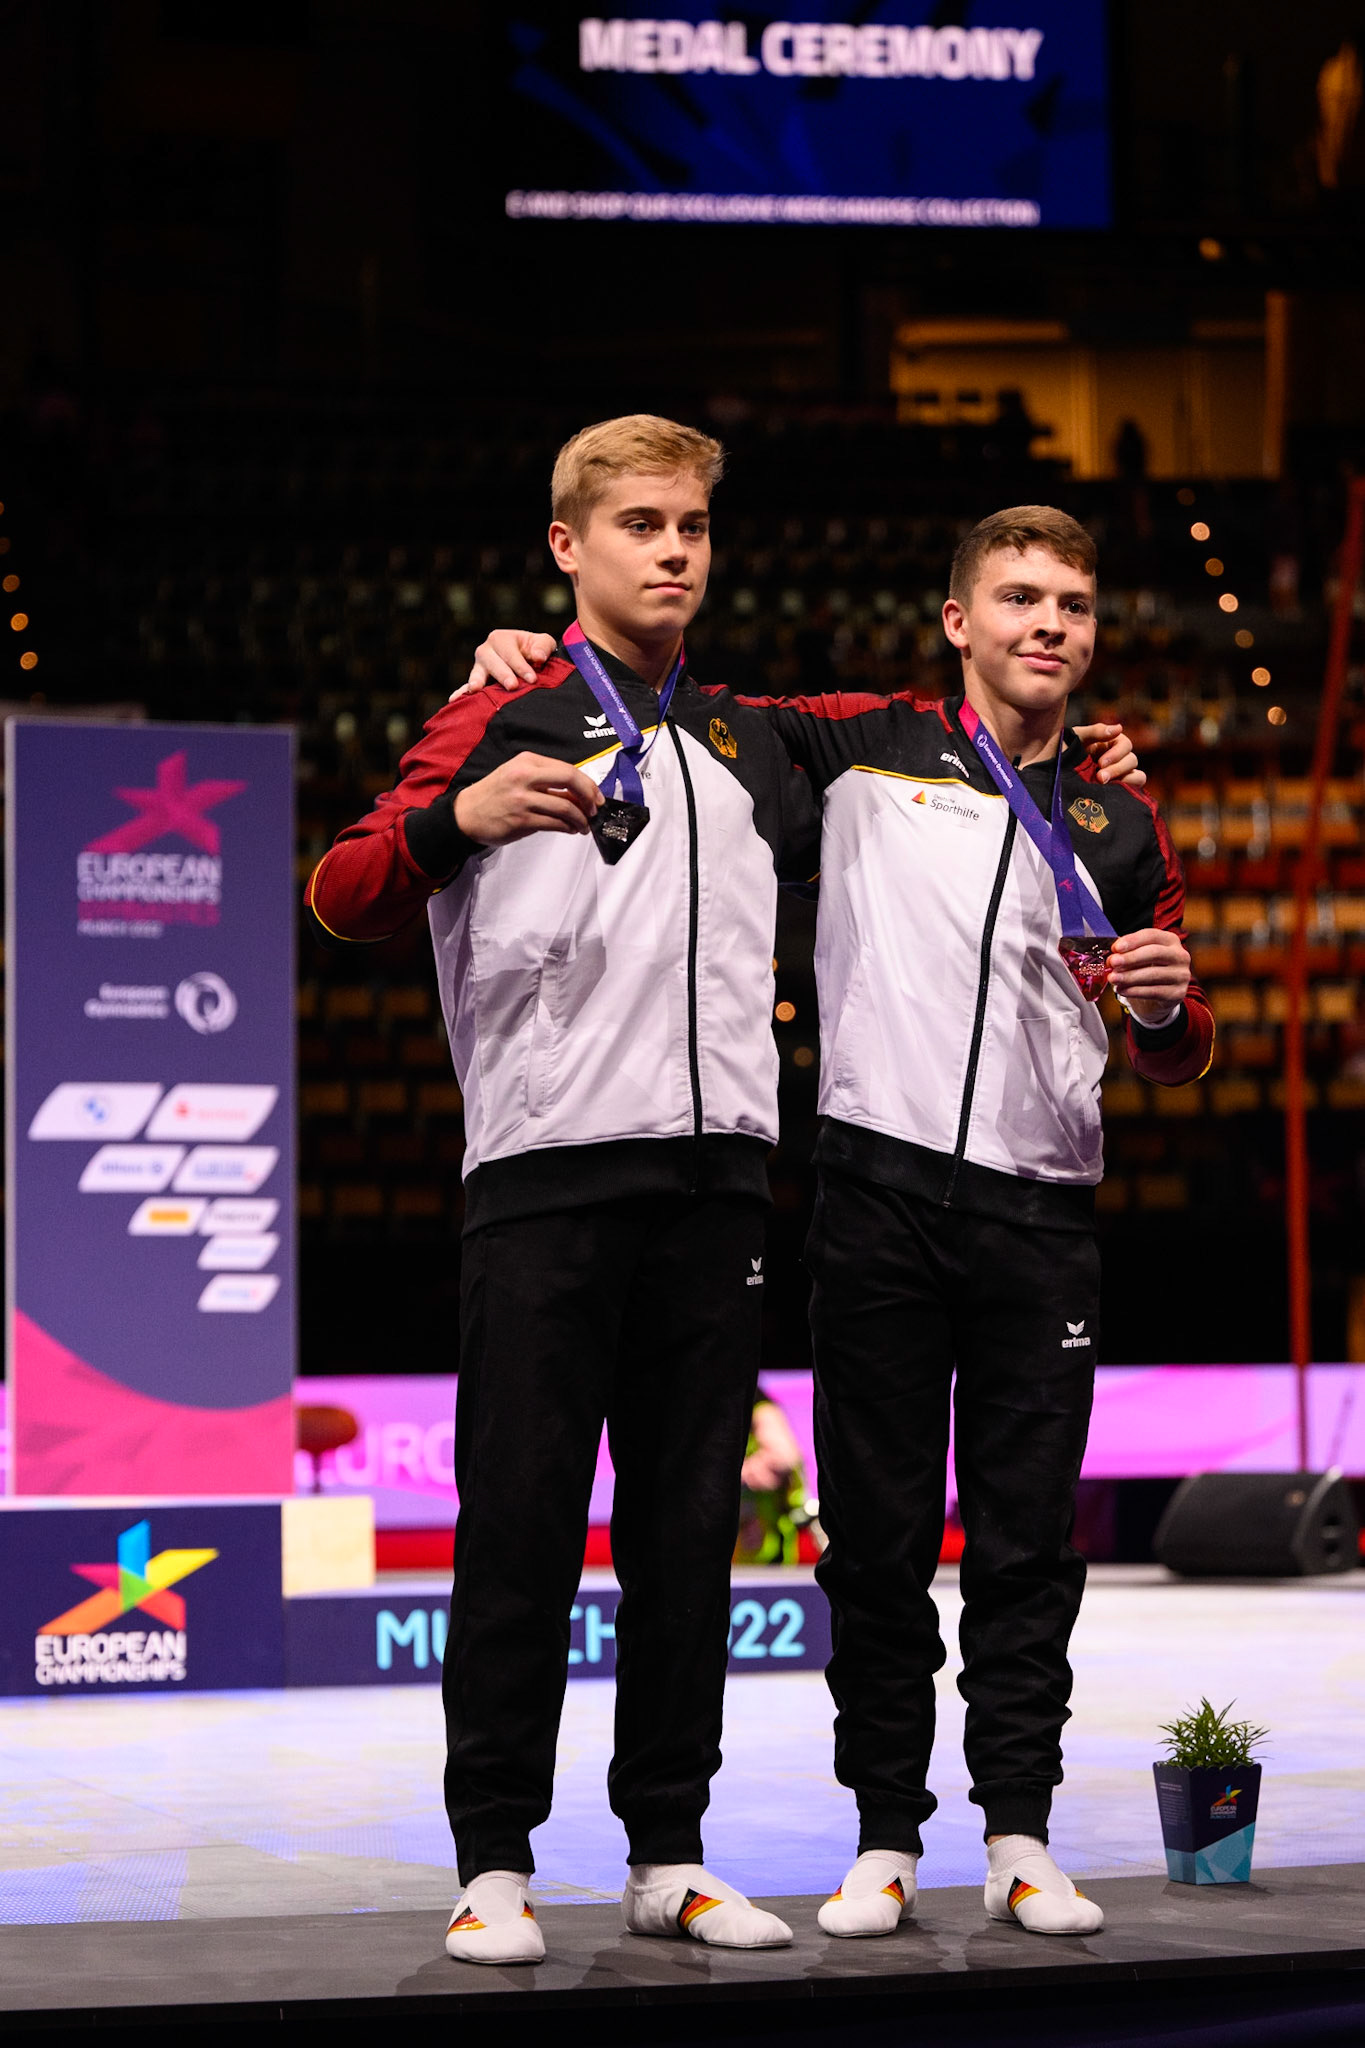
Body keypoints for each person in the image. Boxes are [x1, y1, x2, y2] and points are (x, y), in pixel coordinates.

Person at [468, 504, 1203, 1942]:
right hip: (873, 1197)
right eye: (1020, 598)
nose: (1049, 625)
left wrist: (1170, 1018)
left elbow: (1172, 1042)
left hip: (1044, 1209)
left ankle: (1020, 1834)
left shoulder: (1121, 816)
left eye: (1071, 605)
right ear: (959, 621)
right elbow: (673, 701)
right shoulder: (859, 745)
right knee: (874, 1547)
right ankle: (885, 1837)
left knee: (1026, 1549)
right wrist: (528, 652)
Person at [307, 414, 821, 1965]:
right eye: (640, 524)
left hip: (717, 1182)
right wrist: (453, 818)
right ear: (566, 546)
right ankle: (492, 1866)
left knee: (686, 1533)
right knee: (520, 1532)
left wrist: (1082, 746)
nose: (672, 550)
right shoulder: (494, 713)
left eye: (692, 526)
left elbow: (944, 727)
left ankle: (669, 1854)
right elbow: (340, 892)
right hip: (542, 1177)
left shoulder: (749, 737)